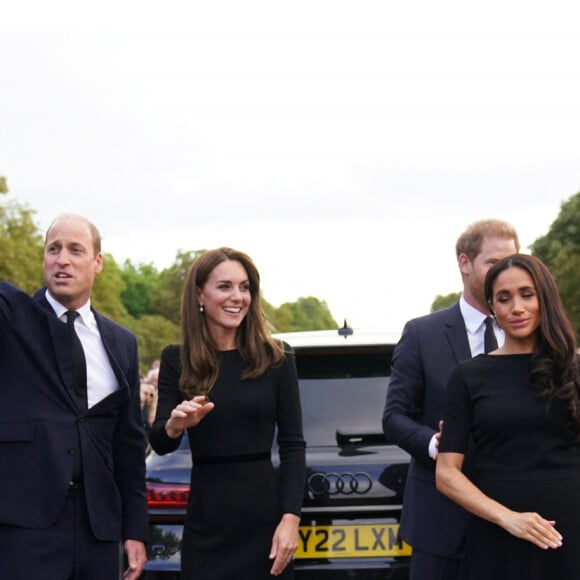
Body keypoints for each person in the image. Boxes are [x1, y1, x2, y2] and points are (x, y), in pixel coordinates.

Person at [0, 214, 148, 580]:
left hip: (99, 529)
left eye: (75, 250)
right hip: (24, 525)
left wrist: (135, 531)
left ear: (98, 262)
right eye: (53, 249)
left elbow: (128, 445)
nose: (61, 259)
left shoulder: (122, 343)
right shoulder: (13, 318)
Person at [149, 247, 306, 579]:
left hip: (265, 523)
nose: (238, 296)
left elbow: (293, 445)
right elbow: (160, 442)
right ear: (199, 295)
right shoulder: (177, 359)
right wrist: (176, 425)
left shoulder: (277, 358)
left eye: (245, 287)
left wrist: (290, 520)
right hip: (207, 525)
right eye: (225, 286)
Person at [382, 219, 520, 580]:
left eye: (511, 261)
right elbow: (394, 416)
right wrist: (434, 445)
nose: (503, 272)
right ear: (465, 263)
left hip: (515, 515)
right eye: (493, 262)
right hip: (440, 521)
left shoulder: (527, 330)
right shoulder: (422, 334)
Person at [436, 253, 580, 579]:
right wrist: (508, 518)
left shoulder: (574, 369)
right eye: (504, 298)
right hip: (498, 539)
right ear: (492, 308)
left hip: (572, 534)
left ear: (545, 298)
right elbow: (446, 474)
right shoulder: (468, 376)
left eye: (527, 295)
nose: (516, 307)